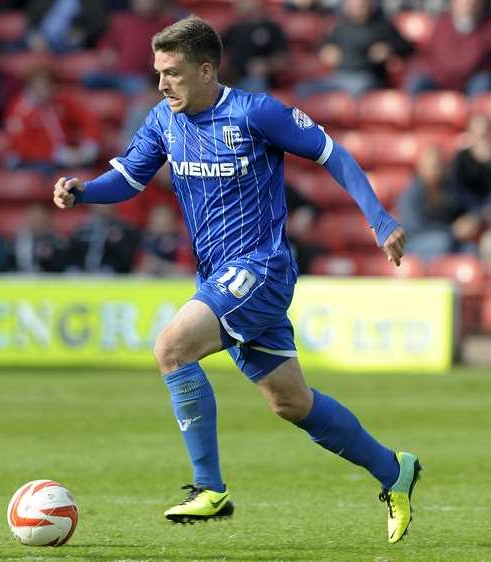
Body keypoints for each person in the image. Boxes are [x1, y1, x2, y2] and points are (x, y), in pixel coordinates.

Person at [52, 16, 419, 543]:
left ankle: (209, 488)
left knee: (172, 348)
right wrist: (84, 191)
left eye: (173, 73)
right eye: (158, 72)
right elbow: (129, 179)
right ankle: (394, 471)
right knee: (291, 402)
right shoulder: (163, 120)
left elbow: (331, 154)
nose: (161, 84)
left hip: (261, 268)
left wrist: (379, 218)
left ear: (206, 69)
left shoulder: (255, 112)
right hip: (218, 276)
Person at [294, 0, 412, 97]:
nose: (358, 5)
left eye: (362, 3)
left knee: (355, 90)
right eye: (354, 3)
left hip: (368, 77)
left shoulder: (382, 25)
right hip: (339, 77)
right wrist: (326, 50)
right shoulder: (341, 26)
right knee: (303, 89)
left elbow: (406, 47)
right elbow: (323, 45)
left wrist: (388, 49)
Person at [4, 67, 100, 171]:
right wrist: (54, 154)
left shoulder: (61, 101)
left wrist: (89, 145)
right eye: (38, 87)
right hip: (32, 160)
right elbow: (20, 144)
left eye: (47, 86)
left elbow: (88, 119)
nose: (43, 91)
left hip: (63, 156)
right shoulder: (19, 109)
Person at [407, 0, 491, 97]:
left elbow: (477, 59)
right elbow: (435, 56)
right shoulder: (442, 23)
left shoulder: (487, 27)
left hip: (472, 78)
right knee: (417, 82)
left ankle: (477, 112)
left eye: (472, 4)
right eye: (463, 3)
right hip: (441, 77)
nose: (467, 7)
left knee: (482, 83)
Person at [221, 0, 288, 92]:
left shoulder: (271, 28)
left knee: (255, 85)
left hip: (258, 80)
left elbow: (281, 61)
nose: (240, 4)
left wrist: (266, 66)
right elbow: (217, 50)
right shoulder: (233, 29)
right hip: (232, 78)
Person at [70, 205, 139, 273]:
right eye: (99, 201)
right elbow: (73, 255)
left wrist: (114, 243)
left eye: (106, 202)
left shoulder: (125, 229)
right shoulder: (82, 229)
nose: (102, 205)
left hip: (112, 272)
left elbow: (127, 259)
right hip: (81, 272)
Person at [14, 203, 70, 272]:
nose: (36, 221)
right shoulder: (17, 241)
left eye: (40, 218)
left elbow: (63, 266)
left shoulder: (57, 242)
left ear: (47, 219)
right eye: (33, 218)